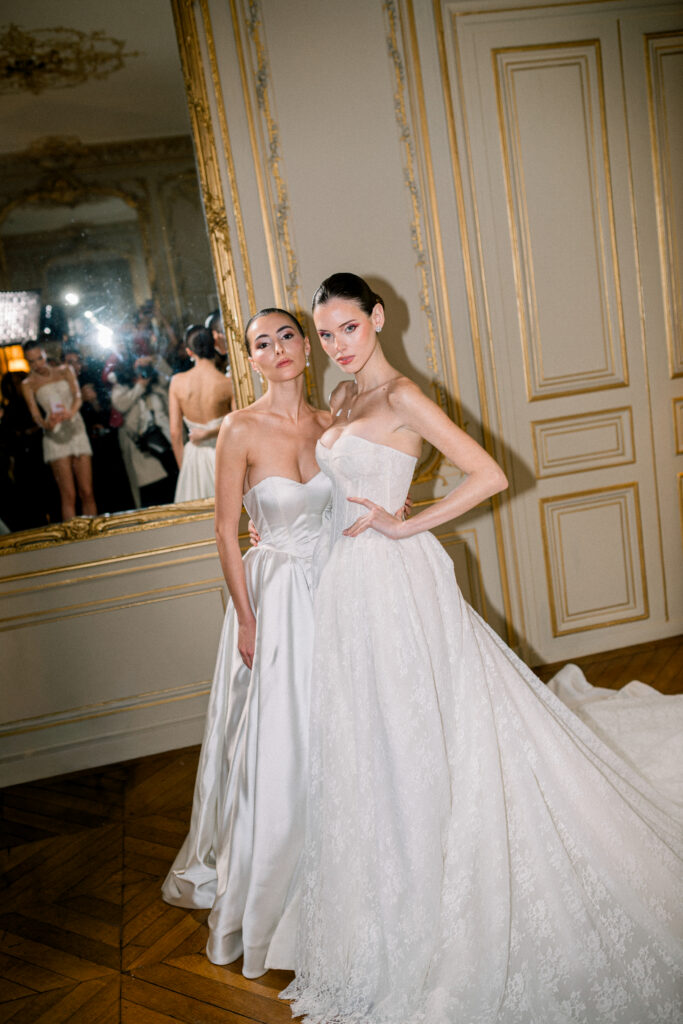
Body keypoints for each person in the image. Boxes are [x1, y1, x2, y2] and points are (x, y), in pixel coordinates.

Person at [275, 273, 682, 1024]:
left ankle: (439, 882)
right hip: (346, 587)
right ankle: (393, 890)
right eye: (324, 334)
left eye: (348, 328)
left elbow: (490, 474)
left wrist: (404, 523)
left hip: (396, 582)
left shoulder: (402, 395)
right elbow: (335, 487)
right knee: (372, 738)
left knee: (420, 728)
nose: (336, 345)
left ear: (378, 318)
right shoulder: (342, 396)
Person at [162, 308, 333, 977]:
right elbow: (224, 529)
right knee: (282, 732)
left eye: (287, 335)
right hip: (276, 599)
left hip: (337, 590)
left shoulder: (333, 424)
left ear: (306, 346)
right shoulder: (239, 427)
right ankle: (274, 875)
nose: (277, 348)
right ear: (251, 360)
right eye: (262, 342)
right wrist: (246, 617)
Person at [20, 340, 96, 521]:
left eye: (39, 358)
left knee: (87, 491)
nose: (37, 364)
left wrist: (71, 412)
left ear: (45, 354)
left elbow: (78, 396)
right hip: (55, 436)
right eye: (31, 361)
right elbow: (35, 415)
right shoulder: (28, 383)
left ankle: (95, 534)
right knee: (68, 495)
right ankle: (73, 538)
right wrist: (48, 425)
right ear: (27, 361)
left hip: (76, 428)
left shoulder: (65, 370)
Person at [169, 325, 235, 502]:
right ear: (214, 345)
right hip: (223, 456)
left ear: (189, 351)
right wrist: (211, 433)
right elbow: (237, 426)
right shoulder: (227, 383)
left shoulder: (177, 382)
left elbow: (175, 433)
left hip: (193, 458)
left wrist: (184, 468)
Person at [110, 354, 176, 507]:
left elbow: (171, 378)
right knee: (154, 494)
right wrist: (139, 386)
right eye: (138, 368)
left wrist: (155, 361)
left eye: (144, 368)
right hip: (144, 451)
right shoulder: (123, 387)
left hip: (168, 444)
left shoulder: (157, 384)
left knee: (174, 489)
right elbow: (120, 404)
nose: (141, 371)